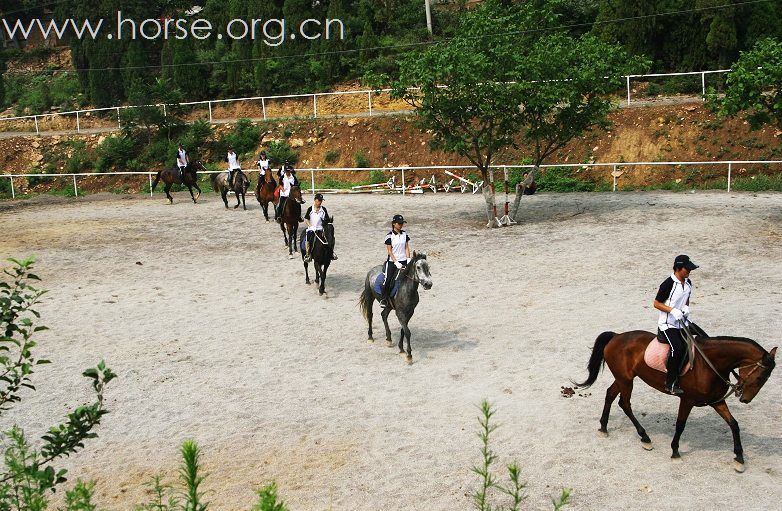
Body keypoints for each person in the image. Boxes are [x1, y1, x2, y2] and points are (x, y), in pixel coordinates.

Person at [653, 254, 699, 395]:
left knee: (704, 338)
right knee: (677, 348)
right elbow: (656, 303)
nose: (689, 271)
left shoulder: (688, 282)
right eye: (687, 269)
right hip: (668, 324)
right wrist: (672, 310)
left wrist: (685, 308)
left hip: (682, 322)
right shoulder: (668, 284)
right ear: (678, 268)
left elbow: (686, 299)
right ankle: (670, 383)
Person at [379, 214, 411, 307]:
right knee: (388, 280)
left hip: (404, 260)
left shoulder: (405, 234)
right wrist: (396, 262)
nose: (401, 225)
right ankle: (384, 299)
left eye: (402, 223)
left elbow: (406, 248)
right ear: (394, 224)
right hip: (393, 262)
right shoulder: (389, 236)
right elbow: (390, 251)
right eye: (399, 223)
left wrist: (408, 259)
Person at [303, 193, 337, 262]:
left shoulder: (323, 209)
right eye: (319, 200)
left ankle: (331, 253)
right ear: (315, 200)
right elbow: (306, 219)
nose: (320, 202)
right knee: (308, 238)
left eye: (321, 201)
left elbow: (326, 220)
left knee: (330, 238)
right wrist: (310, 226)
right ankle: (308, 254)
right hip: (312, 229)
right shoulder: (310, 209)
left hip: (321, 229)